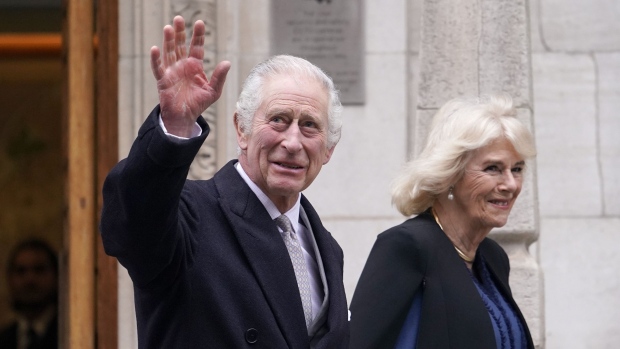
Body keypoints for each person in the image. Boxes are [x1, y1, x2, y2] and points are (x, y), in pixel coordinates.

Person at [99, 15, 349, 348]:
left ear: (328, 149)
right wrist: (173, 129)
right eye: (278, 120)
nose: (292, 142)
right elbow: (131, 225)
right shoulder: (190, 216)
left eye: (309, 126)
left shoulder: (326, 248)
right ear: (242, 129)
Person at [349, 93, 536, 349]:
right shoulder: (407, 246)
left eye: (517, 169)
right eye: (493, 168)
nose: (511, 184)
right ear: (450, 174)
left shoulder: (493, 257)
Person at [0, 238, 59, 349]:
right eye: (21, 271)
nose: (29, 280)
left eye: (39, 269)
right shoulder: (4, 339)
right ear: (9, 279)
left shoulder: (71, 334)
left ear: (56, 276)